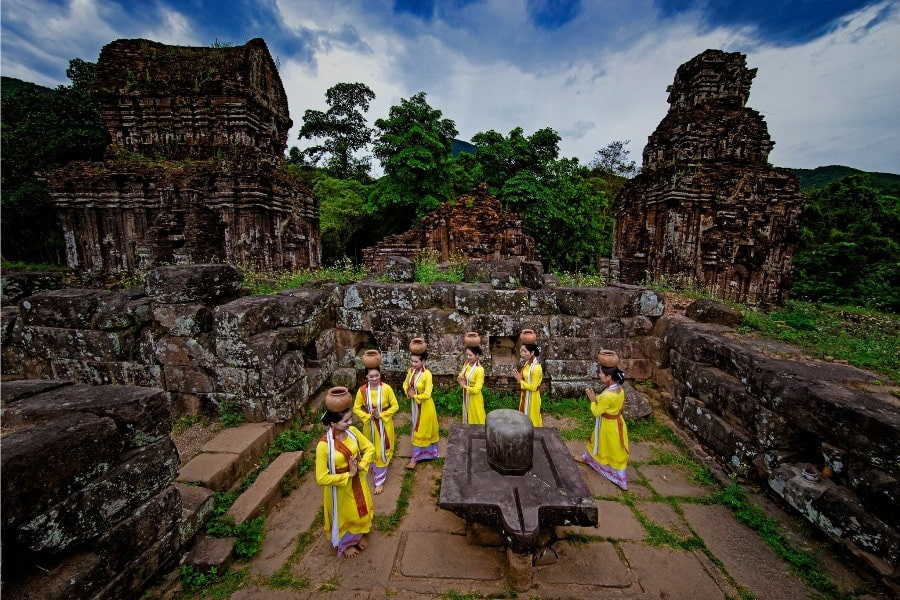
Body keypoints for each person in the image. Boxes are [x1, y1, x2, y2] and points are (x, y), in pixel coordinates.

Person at [315, 392, 375, 558]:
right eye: (346, 421)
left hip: (357, 479)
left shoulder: (353, 432)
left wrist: (361, 466)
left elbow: (369, 448)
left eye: (350, 419)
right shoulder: (324, 446)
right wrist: (348, 474)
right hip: (339, 487)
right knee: (344, 514)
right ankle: (346, 544)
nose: (350, 423)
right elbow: (321, 478)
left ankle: (358, 535)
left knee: (358, 510)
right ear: (333, 423)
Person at [577, 350, 629, 490]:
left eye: (601, 373)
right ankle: (589, 459)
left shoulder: (608, 395)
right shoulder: (619, 390)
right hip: (616, 422)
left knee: (611, 447)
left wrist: (593, 400)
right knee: (599, 441)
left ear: (608, 377)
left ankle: (619, 477)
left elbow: (596, 412)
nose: (599, 375)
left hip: (608, 425)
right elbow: (622, 406)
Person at [353, 365, 398, 495]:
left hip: (384, 425)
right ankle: (374, 467)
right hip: (369, 425)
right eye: (371, 376)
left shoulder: (386, 388)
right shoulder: (362, 391)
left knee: (382, 450)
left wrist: (382, 415)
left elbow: (395, 406)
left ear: (380, 375)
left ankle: (379, 481)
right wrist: (368, 416)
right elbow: (356, 408)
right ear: (366, 377)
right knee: (371, 448)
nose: (374, 378)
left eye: (376, 375)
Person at [403, 338, 439, 469]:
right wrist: (408, 392)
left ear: (423, 361)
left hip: (425, 406)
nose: (413, 364)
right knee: (417, 427)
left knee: (420, 429)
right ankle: (428, 452)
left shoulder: (427, 375)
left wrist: (415, 396)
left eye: (416, 362)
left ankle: (414, 458)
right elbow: (406, 383)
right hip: (415, 405)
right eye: (412, 361)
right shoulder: (411, 371)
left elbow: (428, 394)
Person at [513, 331, 543, 427]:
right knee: (524, 414)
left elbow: (534, 387)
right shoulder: (527, 363)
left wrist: (520, 381)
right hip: (525, 394)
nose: (522, 353)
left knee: (532, 417)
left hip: (533, 397)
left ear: (532, 353)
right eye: (521, 351)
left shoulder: (536, 368)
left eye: (524, 351)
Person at [457, 334, 486, 425]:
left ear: (477, 355)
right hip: (466, 395)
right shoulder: (467, 364)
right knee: (467, 415)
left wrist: (464, 386)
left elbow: (477, 389)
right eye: (467, 355)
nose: (468, 357)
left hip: (474, 397)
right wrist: (460, 377)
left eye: (470, 355)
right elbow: (462, 374)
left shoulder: (479, 370)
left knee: (477, 417)